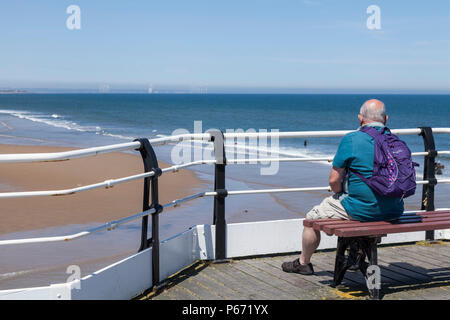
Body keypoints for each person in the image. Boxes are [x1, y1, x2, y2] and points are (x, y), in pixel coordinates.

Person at [282, 99, 405, 275]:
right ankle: (357, 253)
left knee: (311, 220)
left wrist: (340, 193)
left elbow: (334, 180)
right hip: (395, 209)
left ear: (360, 119)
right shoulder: (395, 141)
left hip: (364, 210)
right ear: (386, 119)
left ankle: (303, 262)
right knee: (363, 204)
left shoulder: (352, 139)